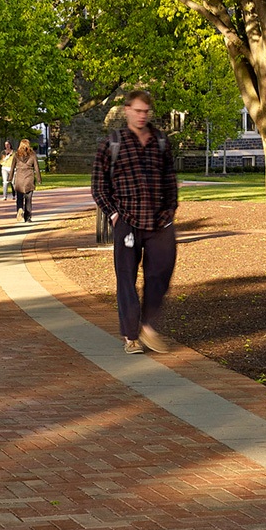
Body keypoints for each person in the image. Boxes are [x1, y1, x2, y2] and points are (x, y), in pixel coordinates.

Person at [91, 89, 179, 355]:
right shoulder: (112, 144)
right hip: (127, 221)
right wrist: (114, 214)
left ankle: (148, 325)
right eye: (137, 110)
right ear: (127, 110)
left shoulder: (160, 141)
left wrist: (170, 210)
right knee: (126, 280)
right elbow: (98, 185)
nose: (142, 116)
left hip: (159, 222)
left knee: (160, 274)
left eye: (146, 111)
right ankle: (131, 336)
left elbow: (170, 181)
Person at [10, 138, 40, 222]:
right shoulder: (32, 155)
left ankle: (19, 209)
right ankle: (28, 217)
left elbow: (12, 167)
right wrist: (38, 178)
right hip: (29, 178)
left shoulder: (16, 155)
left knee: (19, 198)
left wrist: (10, 177)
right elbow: (36, 167)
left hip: (19, 178)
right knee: (28, 199)